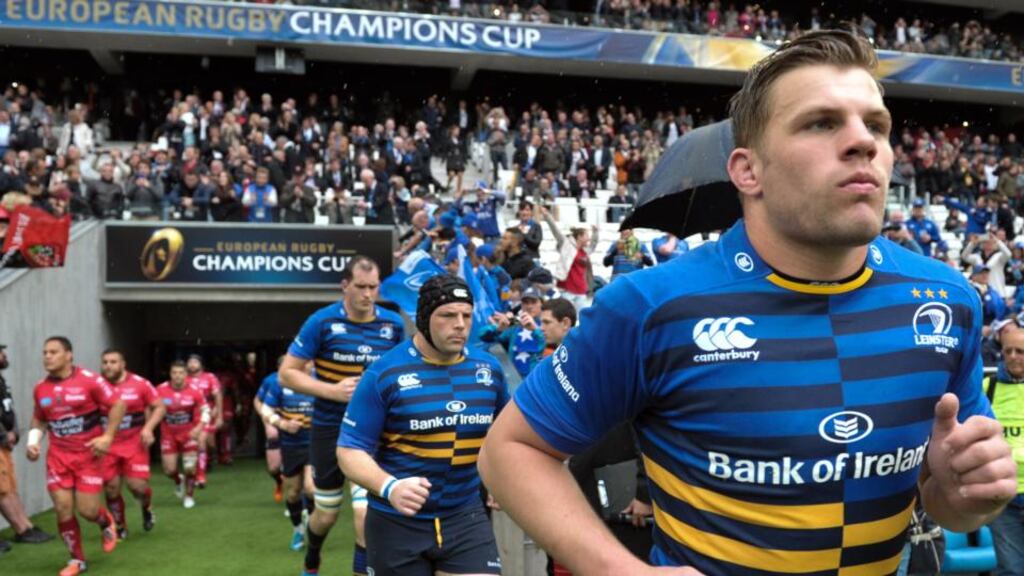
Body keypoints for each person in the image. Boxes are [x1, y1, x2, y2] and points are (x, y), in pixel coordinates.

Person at [479, 30, 1017, 574]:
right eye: (821, 123)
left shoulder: (947, 299)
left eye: (876, 124)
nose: (863, 142)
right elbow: (511, 450)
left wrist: (966, 496)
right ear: (747, 170)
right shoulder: (649, 307)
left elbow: (950, 501)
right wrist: (621, 570)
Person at [338, 274, 509, 576]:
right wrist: (389, 487)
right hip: (396, 521)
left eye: (466, 315)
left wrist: (500, 476)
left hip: (465, 517)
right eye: (448, 315)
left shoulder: (488, 369)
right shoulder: (384, 373)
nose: (460, 324)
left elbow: (504, 433)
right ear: (424, 319)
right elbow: (349, 450)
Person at [280, 255, 405, 576]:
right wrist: (333, 391)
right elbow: (287, 373)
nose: (368, 294)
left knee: (364, 515)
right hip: (329, 427)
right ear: (345, 285)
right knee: (326, 514)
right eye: (361, 286)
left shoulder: (393, 325)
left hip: (372, 433)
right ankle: (312, 555)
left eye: (373, 287)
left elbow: (401, 374)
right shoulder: (321, 322)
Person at [26, 337, 123, 576]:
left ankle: (104, 521)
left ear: (69, 355)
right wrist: (33, 442)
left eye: (53, 352)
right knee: (62, 508)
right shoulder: (40, 388)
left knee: (88, 511)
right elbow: (39, 419)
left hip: (88, 455)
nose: (47, 356)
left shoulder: (90, 380)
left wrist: (108, 436)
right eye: (45, 352)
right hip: (58, 457)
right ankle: (77, 560)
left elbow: (118, 405)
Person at [98, 349, 164, 538]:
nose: (108, 366)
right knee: (111, 488)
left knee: (137, 487)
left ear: (123, 364)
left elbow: (159, 406)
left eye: (113, 362)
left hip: (134, 442)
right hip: (107, 444)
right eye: (105, 362)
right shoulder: (97, 385)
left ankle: (146, 507)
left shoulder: (140, 384)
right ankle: (120, 526)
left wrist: (148, 428)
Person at [257, 361, 315, 552]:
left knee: (310, 489)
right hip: (291, 444)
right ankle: (298, 529)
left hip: (315, 442)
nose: (307, 365)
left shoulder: (321, 379)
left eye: (309, 361)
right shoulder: (280, 381)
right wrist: (282, 424)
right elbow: (266, 409)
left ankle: (311, 525)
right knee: (293, 493)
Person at [0, 343, 53, 550]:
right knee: (2, 489)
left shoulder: (1, 380)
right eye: (0, 352)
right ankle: (22, 529)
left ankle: (25, 527)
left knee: (9, 487)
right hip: (1, 440)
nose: (4, 355)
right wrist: (4, 435)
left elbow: (8, 410)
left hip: (4, 444)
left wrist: (14, 431)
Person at [983, 329, 1024, 575]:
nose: (1013, 356)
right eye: (1008, 351)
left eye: (1020, 351)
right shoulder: (987, 387)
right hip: (1002, 496)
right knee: (1011, 569)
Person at [156, 361, 208, 510]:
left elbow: (206, 410)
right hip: (168, 434)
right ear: (170, 374)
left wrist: (199, 428)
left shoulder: (195, 390)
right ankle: (178, 480)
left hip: (189, 434)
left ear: (186, 374)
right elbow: (151, 407)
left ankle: (189, 496)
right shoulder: (160, 390)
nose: (177, 376)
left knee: (190, 468)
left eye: (180, 373)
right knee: (169, 470)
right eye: (174, 373)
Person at [185, 354, 222, 489]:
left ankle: (209, 459)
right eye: (190, 362)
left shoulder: (209, 377)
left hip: (207, 414)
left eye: (195, 362)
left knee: (210, 443)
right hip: (191, 416)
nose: (192, 364)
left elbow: (217, 395)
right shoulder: (184, 378)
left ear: (201, 364)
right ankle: (200, 476)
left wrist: (219, 413)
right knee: (199, 443)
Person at [254, 367, 284, 503]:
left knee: (295, 466)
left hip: (295, 422)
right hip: (274, 420)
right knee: (273, 468)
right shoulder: (271, 380)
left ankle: (298, 500)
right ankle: (279, 482)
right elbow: (257, 400)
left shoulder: (304, 379)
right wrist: (265, 415)